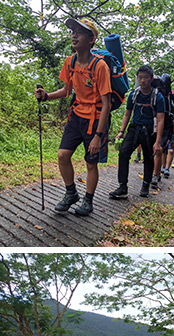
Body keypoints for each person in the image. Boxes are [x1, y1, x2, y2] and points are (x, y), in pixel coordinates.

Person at [33, 18, 111, 216]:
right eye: (73, 31)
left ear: (92, 39)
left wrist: (98, 136)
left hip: (95, 120)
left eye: (80, 32)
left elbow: (107, 103)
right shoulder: (70, 62)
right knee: (62, 155)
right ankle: (71, 193)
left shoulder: (100, 66)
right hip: (76, 116)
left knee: (91, 163)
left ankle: (88, 200)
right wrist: (47, 96)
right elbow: (66, 90)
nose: (74, 35)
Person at [110, 65, 165, 199]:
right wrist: (121, 131)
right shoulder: (134, 95)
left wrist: (158, 142)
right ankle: (122, 187)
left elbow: (161, 119)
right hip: (134, 129)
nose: (143, 81)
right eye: (140, 77)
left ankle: (145, 185)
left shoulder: (158, 97)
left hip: (149, 132)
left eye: (146, 77)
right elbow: (127, 114)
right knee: (123, 154)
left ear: (151, 79)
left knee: (148, 158)